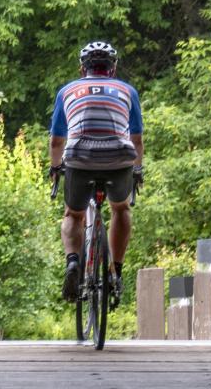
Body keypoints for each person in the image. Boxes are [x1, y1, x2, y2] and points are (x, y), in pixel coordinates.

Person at [48, 40, 144, 306]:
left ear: (82, 69)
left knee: (73, 214)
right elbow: (136, 140)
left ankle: (73, 262)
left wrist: (55, 168)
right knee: (121, 209)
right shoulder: (127, 91)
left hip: (79, 157)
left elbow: (57, 142)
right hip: (118, 158)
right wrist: (137, 170)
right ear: (112, 69)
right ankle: (117, 271)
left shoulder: (67, 91)